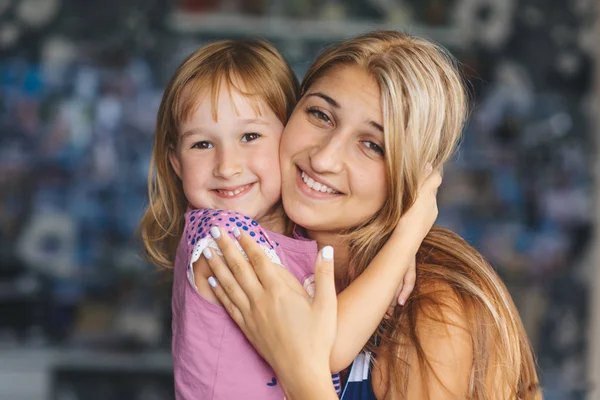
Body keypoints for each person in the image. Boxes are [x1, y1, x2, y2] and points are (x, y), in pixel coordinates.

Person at [203, 31, 542, 399]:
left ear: (411, 174)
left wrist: (301, 370)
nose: (324, 158)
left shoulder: (431, 310)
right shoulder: (254, 253)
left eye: (372, 145)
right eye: (320, 114)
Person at [139, 39, 441, 399]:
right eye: (202, 144)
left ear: (285, 133)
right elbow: (328, 349)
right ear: (175, 162)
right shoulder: (225, 241)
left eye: (250, 136)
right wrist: (408, 235)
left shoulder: (292, 235)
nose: (227, 166)